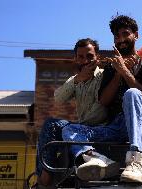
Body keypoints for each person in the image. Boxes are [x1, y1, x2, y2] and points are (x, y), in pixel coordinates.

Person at [62, 15, 142, 183]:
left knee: (133, 94)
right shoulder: (109, 68)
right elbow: (103, 101)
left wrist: (124, 71)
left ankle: (136, 161)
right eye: (117, 36)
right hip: (117, 127)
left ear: (136, 35)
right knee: (69, 129)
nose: (121, 39)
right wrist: (116, 72)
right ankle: (98, 160)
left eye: (125, 34)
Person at [36, 38, 112, 187]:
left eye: (90, 56)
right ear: (76, 59)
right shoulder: (75, 80)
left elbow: (100, 111)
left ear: (97, 57)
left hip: (100, 128)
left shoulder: (104, 75)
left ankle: (44, 180)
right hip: (80, 128)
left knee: (64, 128)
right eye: (81, 57)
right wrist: (78, 79)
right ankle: (44, 176)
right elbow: (58, 97)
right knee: (50, 125)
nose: (86, 60)